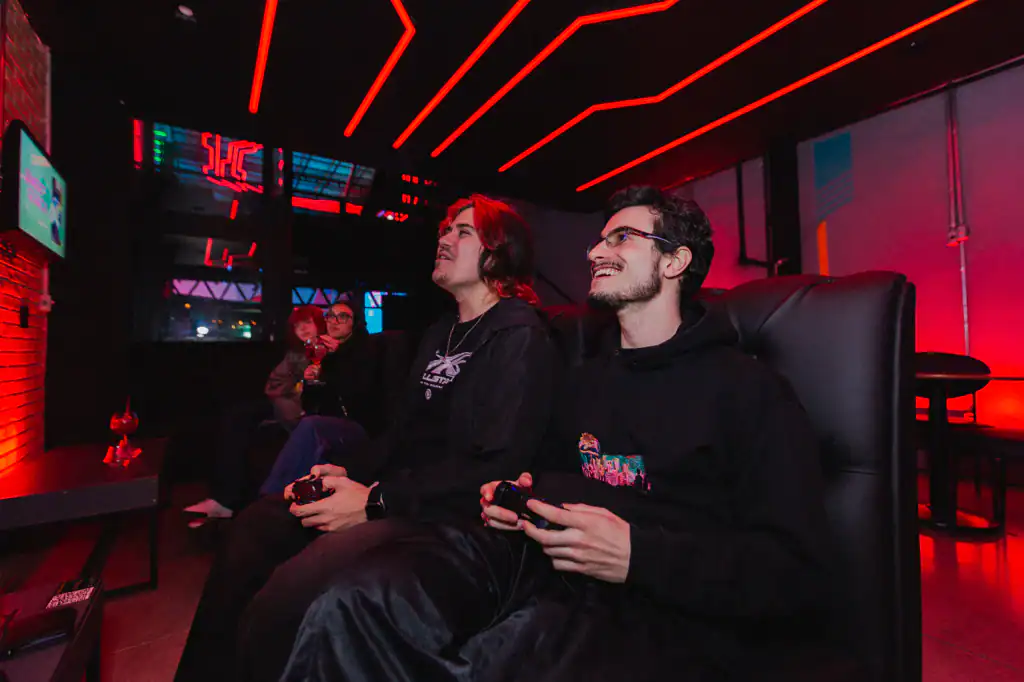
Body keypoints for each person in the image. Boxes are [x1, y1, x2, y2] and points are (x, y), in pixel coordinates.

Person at [281, 186, 831, 682]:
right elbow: (538, 473)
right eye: (599, 239)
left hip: (665, 613)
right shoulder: (586, 380)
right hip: (549, 570)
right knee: (354, 606)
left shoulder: (747, 390)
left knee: (492, 662)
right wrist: (515, 496)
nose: (595, 252)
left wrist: (637, 555)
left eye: (622, 237)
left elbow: (796, 573)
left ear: (675, 261)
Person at [174, 194, 559, 682]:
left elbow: (495, 465)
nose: (444, 239)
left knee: (290, 595)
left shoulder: (518, 334)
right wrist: (347, 471)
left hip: (450, 517)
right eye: (445, 229)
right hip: (399, 494)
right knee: (257, 525)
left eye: (463, 232)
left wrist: (376, 501)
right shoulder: (442, 331)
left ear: (497, 254)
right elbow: (400, 435)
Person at [184, 305, 324, 521]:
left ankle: (241, 503)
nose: (303, 329)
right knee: (235, 416)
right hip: (286, 405)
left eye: (307, 322)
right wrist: (292, 395)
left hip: (306, 410)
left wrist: (297, 395)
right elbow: (274, 384)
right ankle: (223, 500)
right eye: (297, 325)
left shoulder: (327, 350)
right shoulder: (296, 353)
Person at [258, 299, 383, 495]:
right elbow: (312, 403)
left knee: (311, 426)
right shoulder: (321, 351)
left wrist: (337, 358)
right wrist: (311, 382)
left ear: (355, 322)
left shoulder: (366, 349)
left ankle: (271, 497)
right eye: (331, 316)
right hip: (331, 421)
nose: (334, 321)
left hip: (361, 425)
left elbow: (360, 394)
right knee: (309, 426)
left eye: (343, 317)